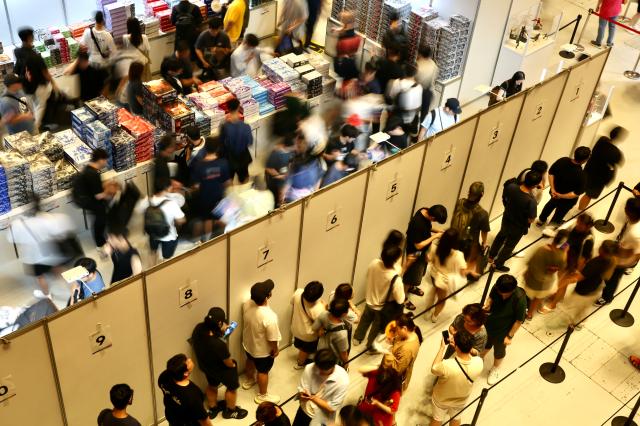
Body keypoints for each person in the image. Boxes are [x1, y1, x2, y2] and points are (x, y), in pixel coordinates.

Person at [8, 198, 76, 299]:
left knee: (40, 277)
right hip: (51, 253)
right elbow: (63, 230)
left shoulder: (19, 224)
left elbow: (11, 238)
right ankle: (74, 290)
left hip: (35, 258)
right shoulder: (48, 218)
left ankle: (47, 295)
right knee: (60, 271)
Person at [191, 307, 248, 420]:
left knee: (212, 385)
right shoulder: (219, 344)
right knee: (232, 388)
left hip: (206, 367)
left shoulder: (198, 329)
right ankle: (230, 411)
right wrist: (233, 365)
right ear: (220, 323)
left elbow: (212, 341)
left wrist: (223, 332)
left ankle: (213, 408)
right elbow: (227, 362)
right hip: (222, 368)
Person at [547, 240, 618, 327]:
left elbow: (578, 278)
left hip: (585, 291)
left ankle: (578, 323)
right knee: (583, 309)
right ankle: (580, 321)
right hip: (595, 288)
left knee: (577, 306)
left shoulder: (595, 264)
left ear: (601, 249)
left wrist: (562, 283)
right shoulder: (611, 261)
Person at [353, 245, 405, 353]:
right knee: (375, 329)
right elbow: (400, 299)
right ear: (395, 260)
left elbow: (368, 276)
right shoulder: (395, 277)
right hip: (381, 308)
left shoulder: (374, 263)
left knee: (364, 320)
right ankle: (370, 347)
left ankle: (357, 338)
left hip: (369, 301)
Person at [540, 213, 595, 311]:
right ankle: (557, 297)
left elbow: (583, 258)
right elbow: (568, 241)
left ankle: (553, 304)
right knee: (558, 279)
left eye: (580, 224)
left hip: (573, 263)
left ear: (587, 226)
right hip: (565, 256)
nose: (577, 225)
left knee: (562, 284)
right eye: (578, 223)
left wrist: (577, 271)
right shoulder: (575, 228)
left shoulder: (588, 239)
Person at [489, 171, 541, 272]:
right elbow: (531, 219)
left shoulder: (511, 187)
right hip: (518, 226)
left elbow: (504, 199)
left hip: (506, 218)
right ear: (535, 185)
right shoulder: (531, 201)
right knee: (509, 245)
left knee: (501, 235)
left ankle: (491, 256)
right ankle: (498, 265)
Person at [430, 331, 483, 426]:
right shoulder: (479, 362)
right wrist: (462, 346)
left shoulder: (447, 365)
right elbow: (470, 354)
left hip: (441, 399)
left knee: (437, 419)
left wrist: (442, 348)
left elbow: (434, 368)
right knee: (456, 419)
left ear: (456, 347)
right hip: (461, 399)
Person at [242, 279, 282, 404]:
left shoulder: (247, 304)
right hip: (263, 352)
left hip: (248, 345)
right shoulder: (270, 317)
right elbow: (272, 338)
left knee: (250, 360)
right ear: (268, 296)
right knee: (263, 371)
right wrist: (275, 350)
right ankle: (262, 395)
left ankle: (249, 380)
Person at [482, 274, 526, 385]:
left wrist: (509, 336)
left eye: (505, 293)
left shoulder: (520, 299)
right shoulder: (497, 287)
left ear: (513, 290)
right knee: (485, 342)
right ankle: (480, 358)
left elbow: (519, 321)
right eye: (500, 292)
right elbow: (491, 297)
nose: (502, 295)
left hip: (504, 329)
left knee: (499, 350)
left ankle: (495, 368)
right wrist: (488, 304)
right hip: (491, 322)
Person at [596, 198, 640, 306]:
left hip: (623, 259)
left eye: (626, 208)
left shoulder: (635, 233)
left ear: (629, 211)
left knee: (612, 279)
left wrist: (623, 263)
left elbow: (637, 252)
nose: (624, 209)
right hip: (621, 249)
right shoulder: (632, 221)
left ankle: (607, 297)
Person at [403, 205, 448, 311]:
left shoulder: (425, 211)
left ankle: (411, 287)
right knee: (410, 276)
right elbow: (418, 245)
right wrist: (435, 236)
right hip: (415, 253)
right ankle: (404, 298)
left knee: (419, 273)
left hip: (422, 251)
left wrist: (438, 231)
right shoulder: (417, 223)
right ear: (432, 217)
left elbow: (428, 227)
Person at [536, 146, 591, 228]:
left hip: (554, 193)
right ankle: (549, 230)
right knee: (560, 213)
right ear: (584, 160)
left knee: (550, 204)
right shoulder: (582, 176)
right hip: (567, 201)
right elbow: (576, 193)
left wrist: (553, 189)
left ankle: (541, 220)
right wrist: (561, 196)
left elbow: (551, 173)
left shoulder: (563, 160)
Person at [293, 349, 349, 426]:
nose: (318, 371)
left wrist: (314, 398)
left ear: (332, 366)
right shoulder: (310, 368)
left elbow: (332, 408)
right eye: (317, 367)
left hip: (322, 417)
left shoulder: (342, 380)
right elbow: (302, 388)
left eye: (323, 370)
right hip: (304, 411)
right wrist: (301, 394)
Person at [72, 148, 114, 250]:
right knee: (100, 216)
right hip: (87, 200)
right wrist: (110, 191)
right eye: (105, 160)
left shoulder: (89, 168)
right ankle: (100, 243)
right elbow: (98, 195)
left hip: (84, 197)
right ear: (100, 160)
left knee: (102, 213)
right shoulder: (93, 174)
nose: (106, 162)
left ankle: (104, 234)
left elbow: (94, 187)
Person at [190, 136, 231, 239]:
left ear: (205, 148)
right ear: (217, 148)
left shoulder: (199, 165)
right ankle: (224, 238)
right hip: (219, 198)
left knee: (207, 219)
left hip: (205, 198)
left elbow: (196, 186)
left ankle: (207, 240)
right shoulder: (223, 163)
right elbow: (228, 183)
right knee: (223, 218)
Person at [522, 230, 568, 320]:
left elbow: (530, 263)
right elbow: (562, 267)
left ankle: (522, 309)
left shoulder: (541, 249)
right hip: (545, 284)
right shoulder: (561, 256)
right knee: (538, 298)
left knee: (527, 296)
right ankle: (530, 314)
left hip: (532, 280)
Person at [139, 177, 186, 263]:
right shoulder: (171, 204)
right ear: (168, 188)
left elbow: (139, 210)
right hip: (169, 236)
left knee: (152, 253)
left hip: (153, 233)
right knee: (167, 259)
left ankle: (152, 269)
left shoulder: (147, 200)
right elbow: (181, 220)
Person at [578, 126, 626, 210]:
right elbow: (620, 162)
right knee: (589, 194)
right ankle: (580, 210)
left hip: (589, 169)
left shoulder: (601, 140)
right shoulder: (616, 152)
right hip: (599, 177)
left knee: (581, 188)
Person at [426, 229, 468, 322]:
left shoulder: (435, 248)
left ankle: (428, 309)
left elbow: (429, 260)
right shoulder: (458, 255)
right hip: (445, 282)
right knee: (441, 300)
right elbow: (463, 272)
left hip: (434, 275)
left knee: (434, 290)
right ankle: (434, 316)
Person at [158, 354, 213, 426]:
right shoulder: (193, 394)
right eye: (187, 361)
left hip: (172, 417)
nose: (190, 359)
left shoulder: (164, 377)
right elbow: (205, 421)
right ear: (185, 373)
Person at [451, 182, 490, 280]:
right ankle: (468, 274)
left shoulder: (460, 202)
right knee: (470, 259)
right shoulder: (482, 213)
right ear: (482, 194)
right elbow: (484, 231)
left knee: (455, 255)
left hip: (455, 236)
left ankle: (453, 269)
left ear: (469, 192)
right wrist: (484, 242)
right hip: (471, 241)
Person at [291, 281, 326, 369]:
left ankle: (302, 354)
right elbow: (322, 323)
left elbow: (292, 303)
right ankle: (300, 364)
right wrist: (325, 307)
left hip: (295, 328)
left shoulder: (298, 293)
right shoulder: (318, 308)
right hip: (308, 335)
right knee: (305, 349)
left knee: (299, 344)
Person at [382, 314, 422, 391]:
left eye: (397, 329)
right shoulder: (412, 332)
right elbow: (399, 341)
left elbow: (397, 369)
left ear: (404, 328)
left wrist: (387, 352)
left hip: (393, 377)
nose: (396, 332)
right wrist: (393, 341)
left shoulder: (407, 349)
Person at [282, 133, 323, 203]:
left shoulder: (295, 164)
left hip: (293, 199)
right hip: (308, 196)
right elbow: (318, 182)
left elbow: (286, 187)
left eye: (297, 145)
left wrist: (281, 200)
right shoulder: (317, 161)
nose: (295, 146)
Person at [221, 98, 253, 183]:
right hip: (243, 157)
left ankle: (231, 195)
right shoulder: (246, 126)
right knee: (244, 178)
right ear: (239, 108)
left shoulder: (224, 126)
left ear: (228, 109)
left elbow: (221, 143)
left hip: (229, 158)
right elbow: (250, 142)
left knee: (229, 179)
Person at [386, 64, 423, 134]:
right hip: (411, 119)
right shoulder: (419, 87)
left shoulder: (396, 83)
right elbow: (419, 106)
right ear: (415, 73)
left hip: (397, 118)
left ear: (404, 72)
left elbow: (390, 98)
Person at [313, 298, 351, 367]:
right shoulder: (342, 334)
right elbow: (343, 352)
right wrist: (346, 363)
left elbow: (314, 328)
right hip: (332, 357)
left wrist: (321, 329)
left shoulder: (323, 314)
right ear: (344, 314)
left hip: (320, 349)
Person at [265, 138, 294, 207]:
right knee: (275, 201)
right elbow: (268, 169)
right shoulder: (275, 155)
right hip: (275, 184)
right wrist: (280, 175)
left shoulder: (294, 153)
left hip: (285, 184)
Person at [416, 45, 438, 122]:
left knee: (415, 113)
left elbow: (415, 81)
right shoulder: (433, 64)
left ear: (420, 54)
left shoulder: (418, 65)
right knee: (424, 114)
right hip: (429, 93)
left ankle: (414, 131)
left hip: (419, 92)